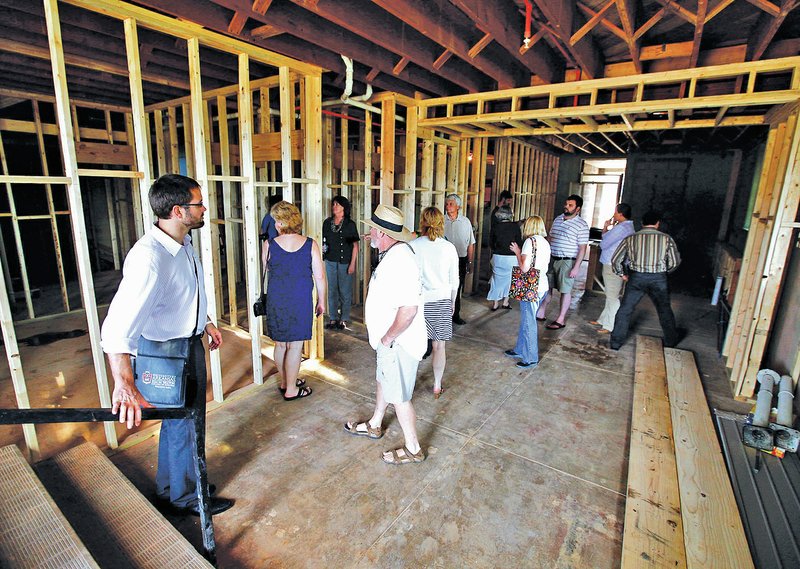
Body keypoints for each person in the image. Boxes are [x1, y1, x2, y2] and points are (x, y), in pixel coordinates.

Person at [100, 174, 233, 516]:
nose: (204, 209)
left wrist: (203, 321)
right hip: (167, 352)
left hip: (188, 343)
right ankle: (184, 497)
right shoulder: (149, 258)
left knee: (184, 422)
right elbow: (117, 328)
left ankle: (174, 486)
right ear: (177, 210)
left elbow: (182, 293)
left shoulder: (182, 241)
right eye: (198, 204)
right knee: (183, 423)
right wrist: (125, 383)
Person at [344, 204, 427, 465]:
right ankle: (375, 424)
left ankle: (414, 448)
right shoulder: (393, 253)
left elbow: (409, 310)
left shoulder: (400, 260)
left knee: (400, 397)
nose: (369, 232)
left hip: (398, 343)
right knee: (383, 380)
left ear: (383, 233)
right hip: (389, 343)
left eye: (373, 229)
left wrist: (388, 339)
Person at [262, 201, 327, 400]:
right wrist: (322, 300)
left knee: (281, 345)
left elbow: (265, 270)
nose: (274, 225)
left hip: (277, 298)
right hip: (300, 299)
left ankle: (285, 382)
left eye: (275, 221)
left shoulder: (269, 245)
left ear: (281, 223)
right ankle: (291, 388)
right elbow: (320, 277)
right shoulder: (310, 244)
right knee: (296, 346)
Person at [609, 211, 682, 350]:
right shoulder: (666, 239)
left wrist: (621, 274)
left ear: (642, 223)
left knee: (625, 310)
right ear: (657, 223)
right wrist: (663, 271)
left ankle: (615, 343)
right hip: (658, 278)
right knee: (664, 309)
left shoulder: (631, 238)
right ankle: (671, 341)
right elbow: (674, 262)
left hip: (636, 277)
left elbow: (616, 259)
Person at [410, 207, 459, 399]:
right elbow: (454, 280)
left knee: (413, 346)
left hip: (418, 302)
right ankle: (437, 385)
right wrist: (452, 302)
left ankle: (408, 384)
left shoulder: (413, 246)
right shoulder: (449, 248)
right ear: (441, 223)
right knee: (439, 347)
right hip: (441, 301)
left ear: (422, 222)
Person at [536, 194, 590, 330]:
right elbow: (551, 237)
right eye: (566, 204)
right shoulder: (558, 219)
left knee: (565, 290)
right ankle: (541, 311)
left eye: (570, 205)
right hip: (552, 258)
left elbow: (583, 248)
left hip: (567, 261)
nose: (566, 207)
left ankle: (561, 319)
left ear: (578, 209)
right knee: (546, 286)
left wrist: (576, 267)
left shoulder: (581, 225)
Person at [505, 216, 551, 368]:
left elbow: (524, 268)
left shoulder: (529, 242)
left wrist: (517, 252)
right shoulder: (545, 242)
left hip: (531, 288)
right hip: (542, 285)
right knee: (526, 320)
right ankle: (519, 349)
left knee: (528, 322)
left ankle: (531, 357)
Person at [590, 203, 634, 334]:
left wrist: (606, 231)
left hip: (613, 264)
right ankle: (603, 320)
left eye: (615, 212)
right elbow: (605, 237)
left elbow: (603, 244)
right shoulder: (624, 226)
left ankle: (610, 325)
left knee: (612, 296)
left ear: (620, 214)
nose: (614, 214)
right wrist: (605, 227)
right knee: (610, 294)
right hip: (612, 263)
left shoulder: (622, 228)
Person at [322, 195, 359, 330]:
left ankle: (344, 318)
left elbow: (355, 246)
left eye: (337, 204)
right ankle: (333, 318)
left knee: (345, 291)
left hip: (345, 262)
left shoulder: (349, 224)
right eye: (333, 204)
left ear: (344, 207)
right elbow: (323, 242)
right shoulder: (327, 223)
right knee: (332, 290)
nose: (334, 207)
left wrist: (352, 263)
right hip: (330, 260)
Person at [444, 193, 475, 325]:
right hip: (443, 261)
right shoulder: (441, 220)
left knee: (457, 287)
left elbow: (471, 243)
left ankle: (455, 315)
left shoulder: (465, 222)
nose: (448, 206)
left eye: (451, 204)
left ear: (458, 206)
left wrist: (470, 261)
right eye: (447, 203)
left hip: (460, 260)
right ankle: (443, 316)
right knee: (444, 288)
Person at [487, 206, 522, 310]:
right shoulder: (515, 227)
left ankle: (495, 303)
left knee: (496, 280)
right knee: (510, 281)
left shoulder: (495, 227)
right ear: (510, 214)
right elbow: (519, 243)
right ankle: (506, 302)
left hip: (498, 257)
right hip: (512, 258)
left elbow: (491, 244)